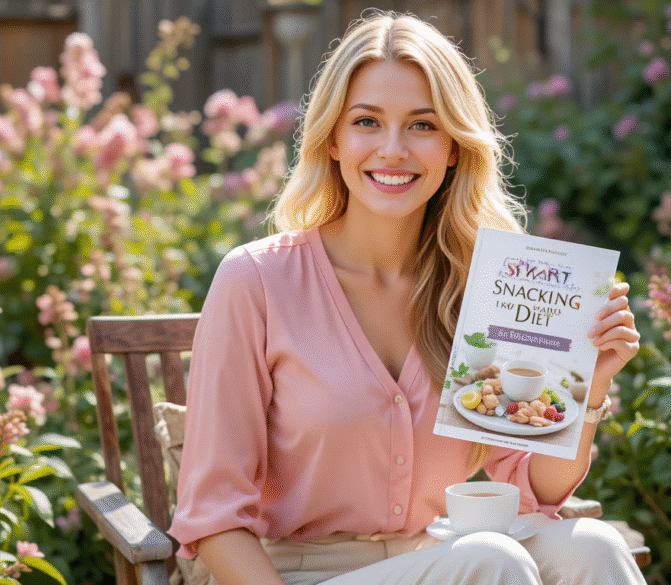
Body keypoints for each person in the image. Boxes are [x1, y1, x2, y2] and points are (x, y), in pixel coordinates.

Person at [168, 10, 644, 585]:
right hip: (294, 573)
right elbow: (213, 517)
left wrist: (590, 386)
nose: (392, 150)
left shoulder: (481, 285)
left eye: (422, 125)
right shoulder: (256, 282)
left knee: (592, 545)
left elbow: (531, 486)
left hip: (439, 561)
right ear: (334, 138)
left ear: (452, 148)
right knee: (492, 560)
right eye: (367, 121)